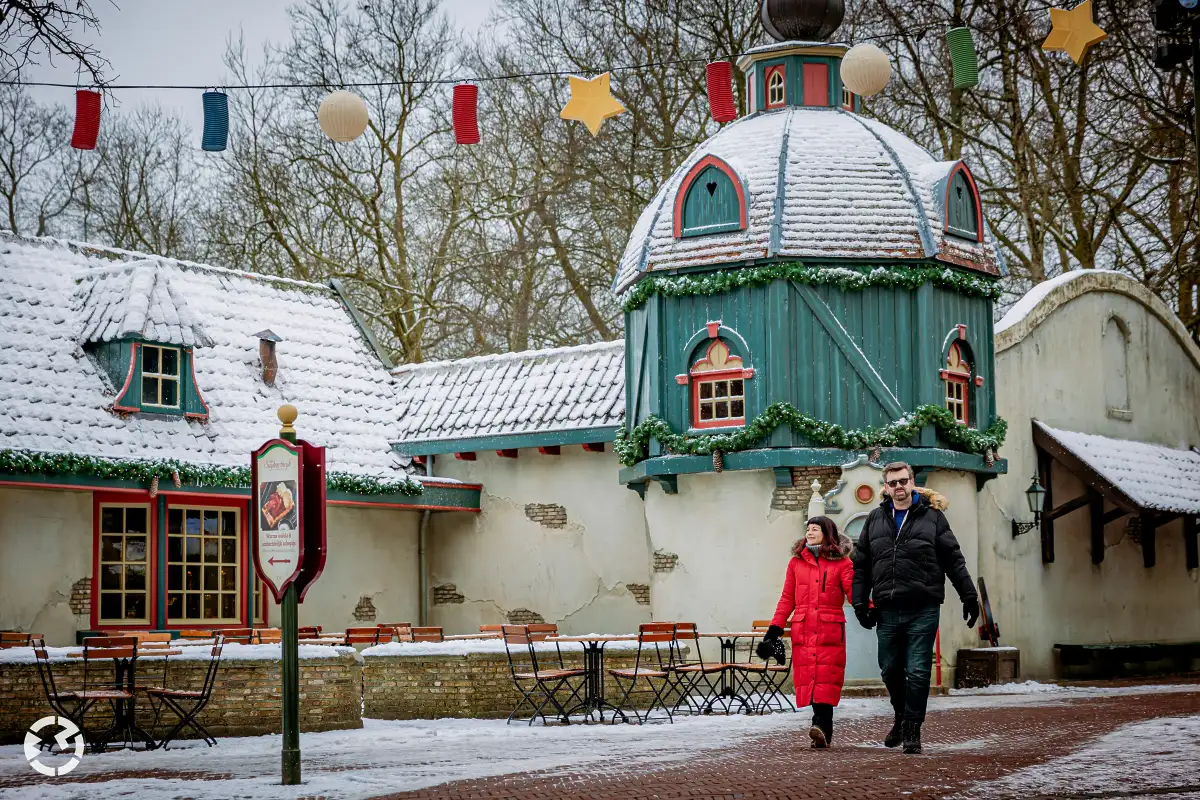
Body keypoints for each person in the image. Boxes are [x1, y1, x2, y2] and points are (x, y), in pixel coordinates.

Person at [851, 461, 979, 755]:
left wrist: (968, 596)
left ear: (912, 482)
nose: (898, 487)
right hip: (887, 608)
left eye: (903, 481)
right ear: (885, 487)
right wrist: (860, 603)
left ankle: (912, 728)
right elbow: (861, 566)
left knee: (918, 670)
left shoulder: (932, 518)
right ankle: (901, 715)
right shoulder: (875, 519)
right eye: (892, 483)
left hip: (923, 605)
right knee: (889, 669)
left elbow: (953, 559)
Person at [757, 516, 854, 748]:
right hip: (804, 628)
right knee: (810, 678)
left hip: (829, 628)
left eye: (815, 529)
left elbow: (853, 593)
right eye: (808, 528)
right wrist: (774, 630)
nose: (809, 532)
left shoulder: (843, 563)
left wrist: (870, 610)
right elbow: (787, 598)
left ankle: (820, 724)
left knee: (825, 678)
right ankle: (821, 727)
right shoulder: (796, 563)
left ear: (827, 533)